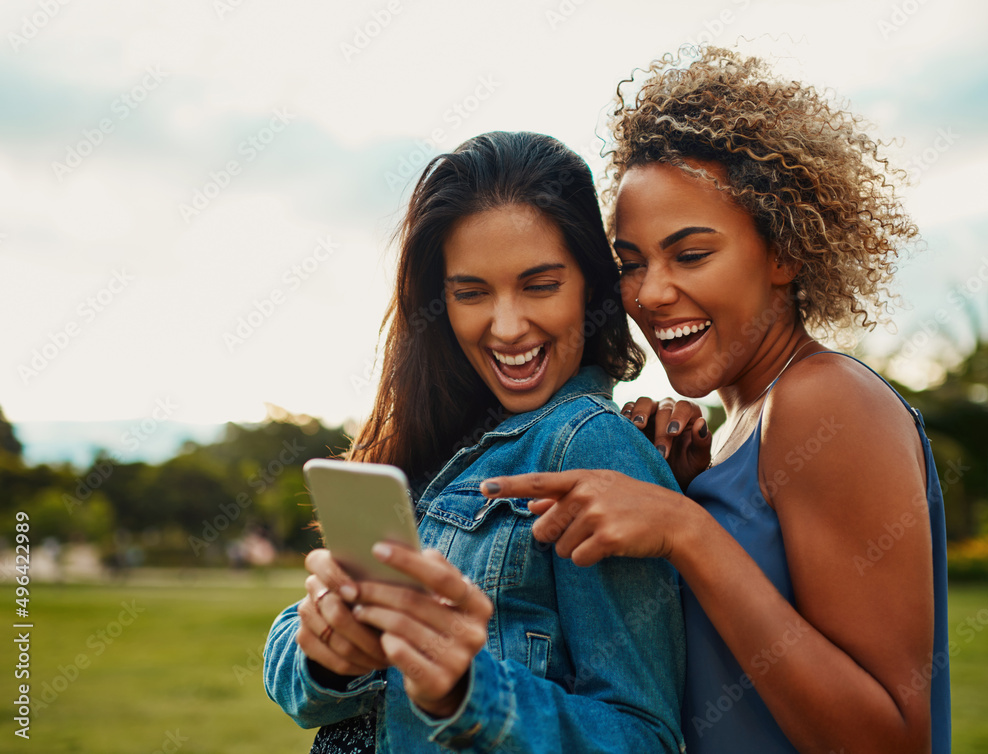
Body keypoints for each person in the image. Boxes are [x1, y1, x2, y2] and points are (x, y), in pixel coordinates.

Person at [482, 48, 951, 753]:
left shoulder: (827, 402)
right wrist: (690, 490)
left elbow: (891, 739)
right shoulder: (740, 427)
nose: (652, 293)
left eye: (691, 254)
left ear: (783, 254)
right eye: (632, 262)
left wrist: (685, 528)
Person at [263, 131, 686, 753]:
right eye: (471, 293)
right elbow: (296, 673)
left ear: (592, 289)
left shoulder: (591, 448)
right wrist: (328, 653)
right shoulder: (443, 437)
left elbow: (646, 737)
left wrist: (468, 692)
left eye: (540, 285)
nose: (508, 326)